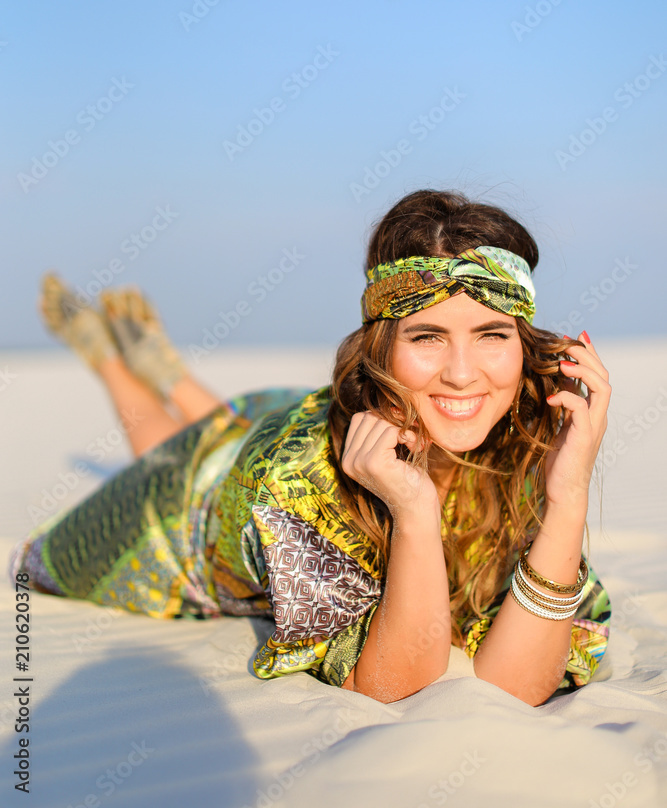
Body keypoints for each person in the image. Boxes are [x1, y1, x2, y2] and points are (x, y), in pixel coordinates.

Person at [10, 188, 612, 706]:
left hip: (295, 423)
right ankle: (114, 361)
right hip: (196, 507)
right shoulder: (297, 480)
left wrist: (569, 496)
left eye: (491, 335)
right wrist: (414, 512)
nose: (461, 373)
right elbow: (397, 684)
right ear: (380, 350)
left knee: (226, 431)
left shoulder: (531, 436)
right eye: (427, 336)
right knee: (183, 453)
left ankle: (167, 373)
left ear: (526, 343)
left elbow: (517, 684)